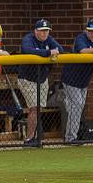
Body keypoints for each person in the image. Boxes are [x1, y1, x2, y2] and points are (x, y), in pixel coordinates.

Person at [18, 19, 65, 147]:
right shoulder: (29, 38)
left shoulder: (49, 39)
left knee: (38, 109)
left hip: (42, 79)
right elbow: (28, 50)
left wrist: (52, 51)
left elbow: (60, 49)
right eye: (42, 31)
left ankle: (35, 136)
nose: (45, 34)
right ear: (35, 31)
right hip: (27, 79)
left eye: (47, 31)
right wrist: (48, 53)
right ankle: (29, 139)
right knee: (34, 108)